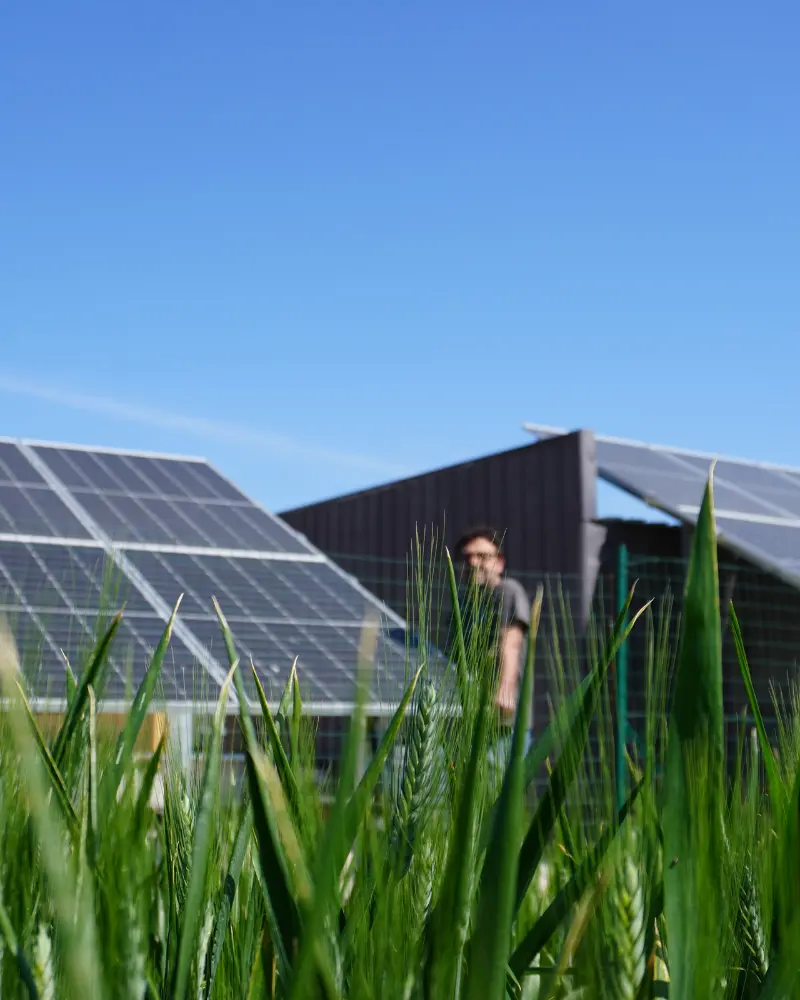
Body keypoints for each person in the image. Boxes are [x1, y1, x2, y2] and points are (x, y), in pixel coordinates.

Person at [452, 526, 533, 772]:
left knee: (496, 788)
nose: (474, 563)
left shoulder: (506, 592)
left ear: (499, 562)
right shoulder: (464, 603)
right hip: (471, 714)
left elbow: (511, 643)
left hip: (502, 715)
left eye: (482, 556)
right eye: (467, 557)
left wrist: (505, 691)